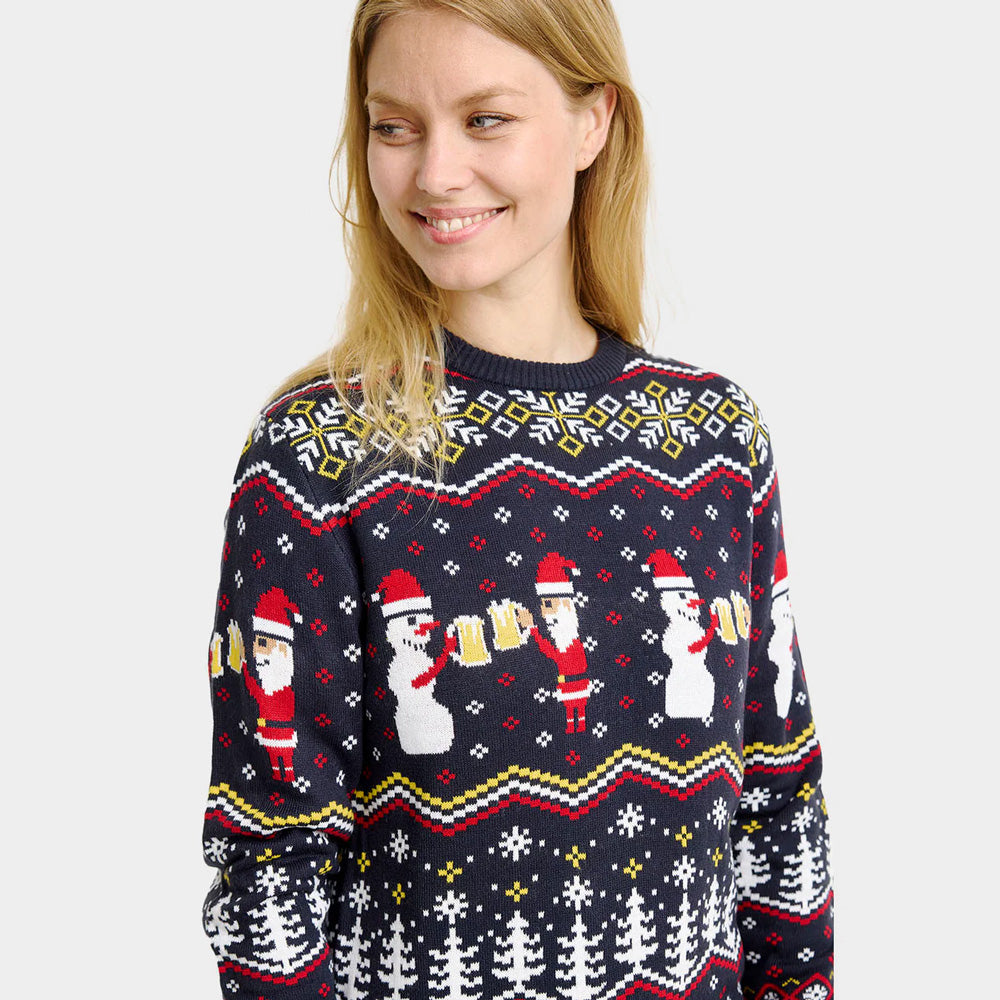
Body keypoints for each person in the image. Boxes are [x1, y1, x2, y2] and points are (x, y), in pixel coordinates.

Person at [200, 2, 834, 998]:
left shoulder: (714, 441)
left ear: (593, 122)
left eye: (485, 119)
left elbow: (779, 806)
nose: (436, 172)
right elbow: (268, 866)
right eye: (394, 126)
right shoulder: (320, 455)